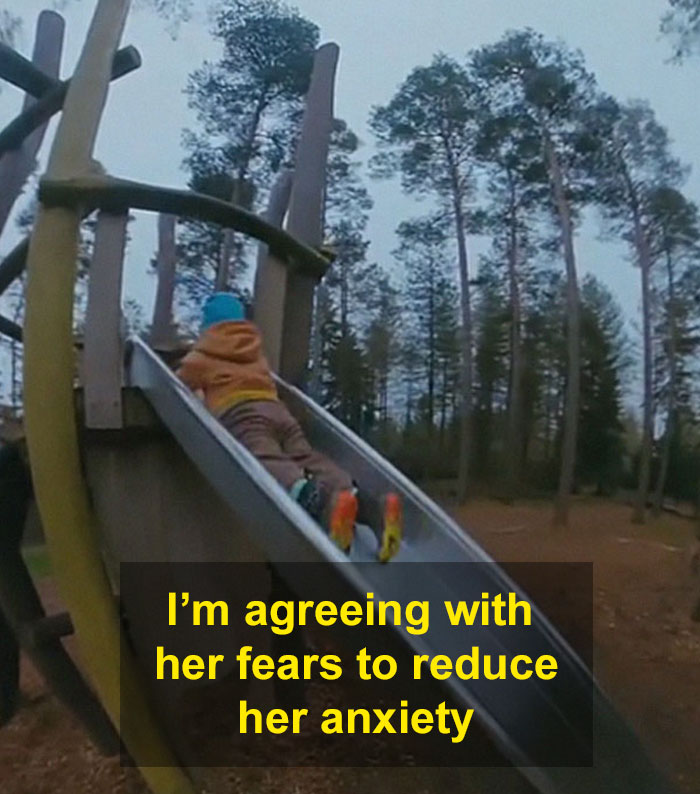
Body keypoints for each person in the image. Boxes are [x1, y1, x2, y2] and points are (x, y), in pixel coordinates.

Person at [176, 293, 402, 561]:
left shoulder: (201, 356)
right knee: (308, 458)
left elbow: (178, 385)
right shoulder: (254, 352)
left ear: (208, 325)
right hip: (278, 411)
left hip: (243, 415)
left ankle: (319, 503)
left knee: (266, 460)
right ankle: (364, 502)